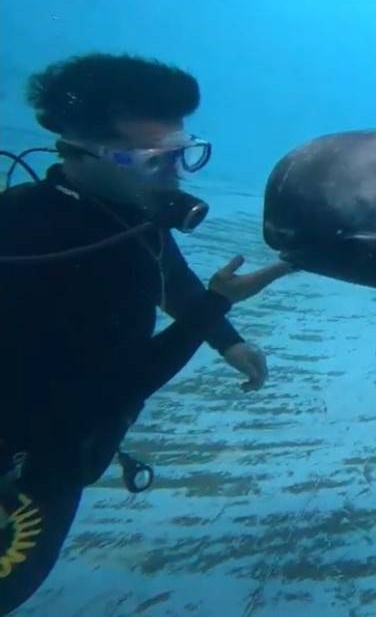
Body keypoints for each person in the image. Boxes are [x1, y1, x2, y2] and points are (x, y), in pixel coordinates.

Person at [0, 52, 294, 614]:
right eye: (155, 160)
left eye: (183, 153)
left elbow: (168, 273)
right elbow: (114, 388)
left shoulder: (125, 210)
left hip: (64, 447)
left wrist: (227, 339)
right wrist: (214, 307)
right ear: (81, 152)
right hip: (29, 466)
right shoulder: (40, 238)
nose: (175, 175)